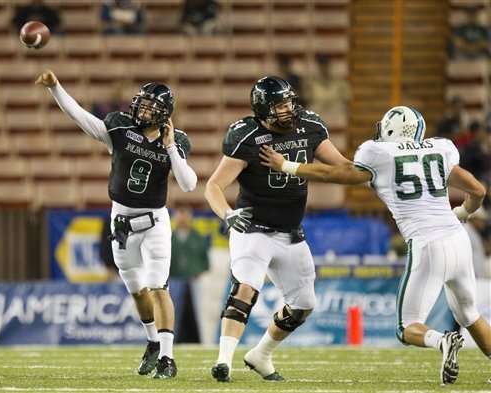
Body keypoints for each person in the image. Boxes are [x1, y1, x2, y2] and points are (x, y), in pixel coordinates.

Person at [260, 105, 491, 385]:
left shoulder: (380, 154)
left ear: (393, 128)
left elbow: (340, 175)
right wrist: (463, 213)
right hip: (458, 239)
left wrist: (287, 165)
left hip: (427, 243)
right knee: (469, 313)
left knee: (407, 327)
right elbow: (478, 190)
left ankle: (442, 341)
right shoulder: (440, 148)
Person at [35, 70, 198, 379]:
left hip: (154, 224)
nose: (142, 109)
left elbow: (189, 184)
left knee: (158, 287)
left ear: (164, 113)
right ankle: (152, 342)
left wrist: (171, 147)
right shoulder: (120, 128)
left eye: (151, 106)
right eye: (143, 103)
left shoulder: (175, 141)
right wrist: (56, 88)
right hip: (121, 223)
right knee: (137, 292)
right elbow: (80, 117)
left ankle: (167, 357)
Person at [204, 76, 350, 382]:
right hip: (252, 229)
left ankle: (261, 354)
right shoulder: (246, 135)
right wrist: (226, 213)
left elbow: (341, 167)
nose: (288, 110)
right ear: (263, 109)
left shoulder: (310, 126)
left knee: (304, 304)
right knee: (246, 287)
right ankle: (223, 361)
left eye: (289, 103)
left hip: (290, 232)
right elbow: (214, 185)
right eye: (281, 105)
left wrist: (370, 168)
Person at [170, 206, 210, 342]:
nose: (182, 219)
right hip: (174, 278)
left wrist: (199, 271)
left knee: (200, 312)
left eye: (185, 215)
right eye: (179, 214)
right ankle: (170, 339)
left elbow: (205, 259)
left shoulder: (197, 237)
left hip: (194, 279)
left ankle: (203, 339)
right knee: (172, 311)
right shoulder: (169, 237)